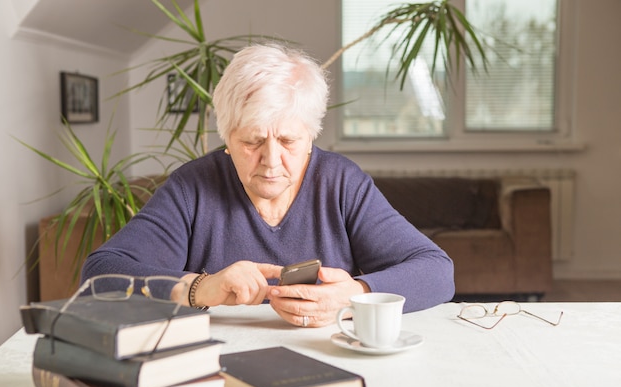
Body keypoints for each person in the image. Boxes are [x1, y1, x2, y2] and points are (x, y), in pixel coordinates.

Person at [81, 44, 454, 327]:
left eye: (289, 141)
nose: (272, 160)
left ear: (311, 135)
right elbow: (100, 274)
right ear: (227, 138)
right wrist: (199, 288)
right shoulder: (192, 187)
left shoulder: (341, 183)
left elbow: (437, 271)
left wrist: (354, 295)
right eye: (252, 142)